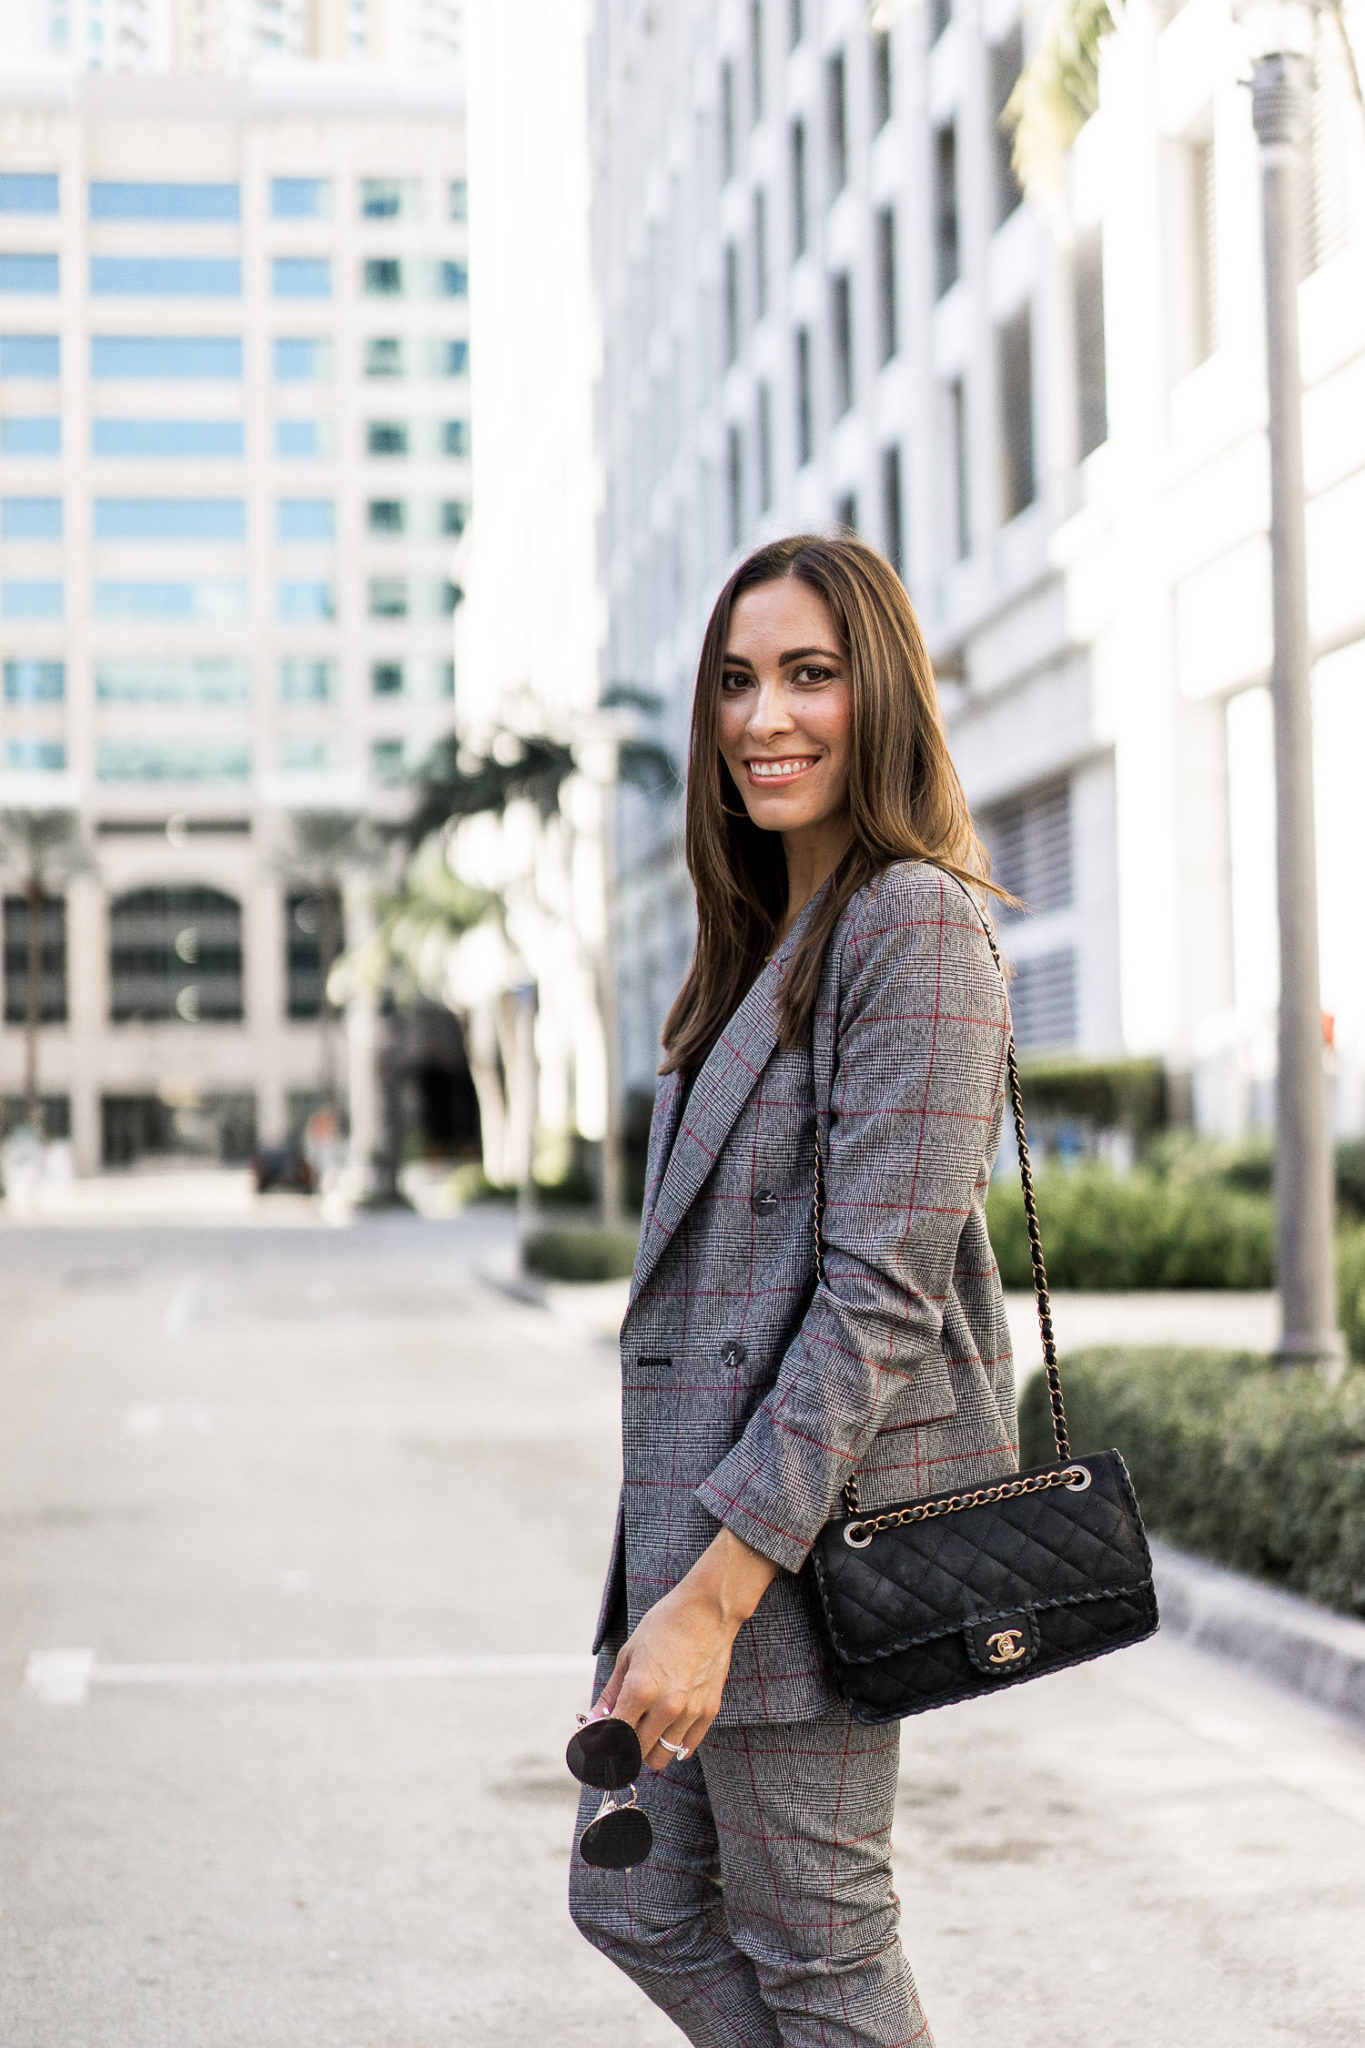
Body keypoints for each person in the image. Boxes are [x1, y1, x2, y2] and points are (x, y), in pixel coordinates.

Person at [569, 534, 1018, 2047]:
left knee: (816, 1949)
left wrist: (710, 1595)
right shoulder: (759, 945)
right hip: (695, 1543)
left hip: (797, 1563)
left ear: (875, 694)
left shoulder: (914, 924)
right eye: (736, 682)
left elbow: (877, 1298)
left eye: (809, 676)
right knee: (629, 1897)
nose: (764, 717)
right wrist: (652, 1584)